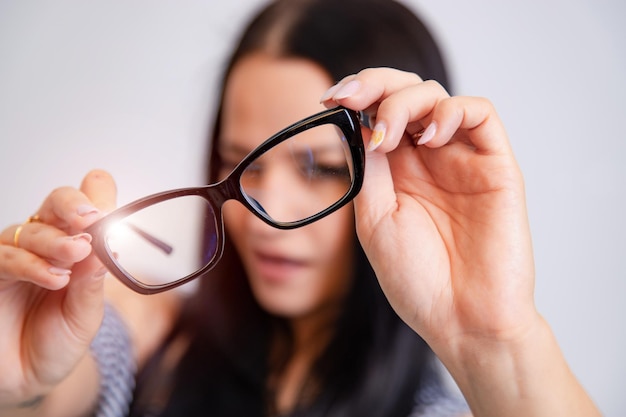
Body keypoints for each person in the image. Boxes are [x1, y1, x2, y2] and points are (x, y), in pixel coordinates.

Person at [0, 0, 601, 416]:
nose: (263, 210)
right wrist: (23, 387)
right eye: (242, 163)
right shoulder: (154, 334)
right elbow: (65, 379)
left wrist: (492, 337)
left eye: (319, 168)